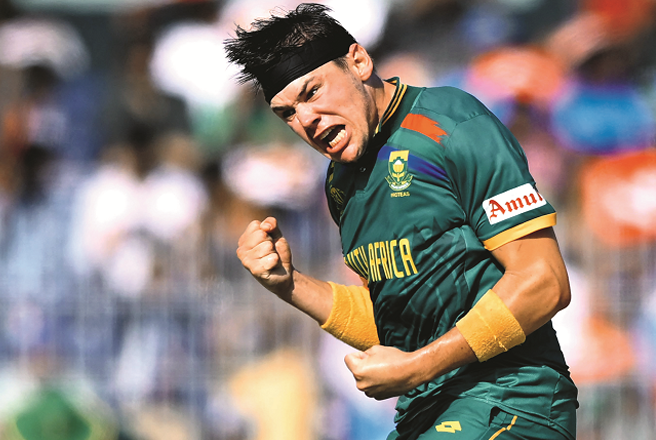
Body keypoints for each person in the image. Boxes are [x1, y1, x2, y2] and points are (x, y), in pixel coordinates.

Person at [225, 3, 578, 439]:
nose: (306, 121)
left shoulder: (452, 124)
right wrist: (289, 283)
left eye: (312, 92)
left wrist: (419, 366)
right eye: (287, 114)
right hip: (426, 409)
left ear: (359, 61)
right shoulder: (340, 183)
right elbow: (398, 323)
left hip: (509, 398)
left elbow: (544, 282)